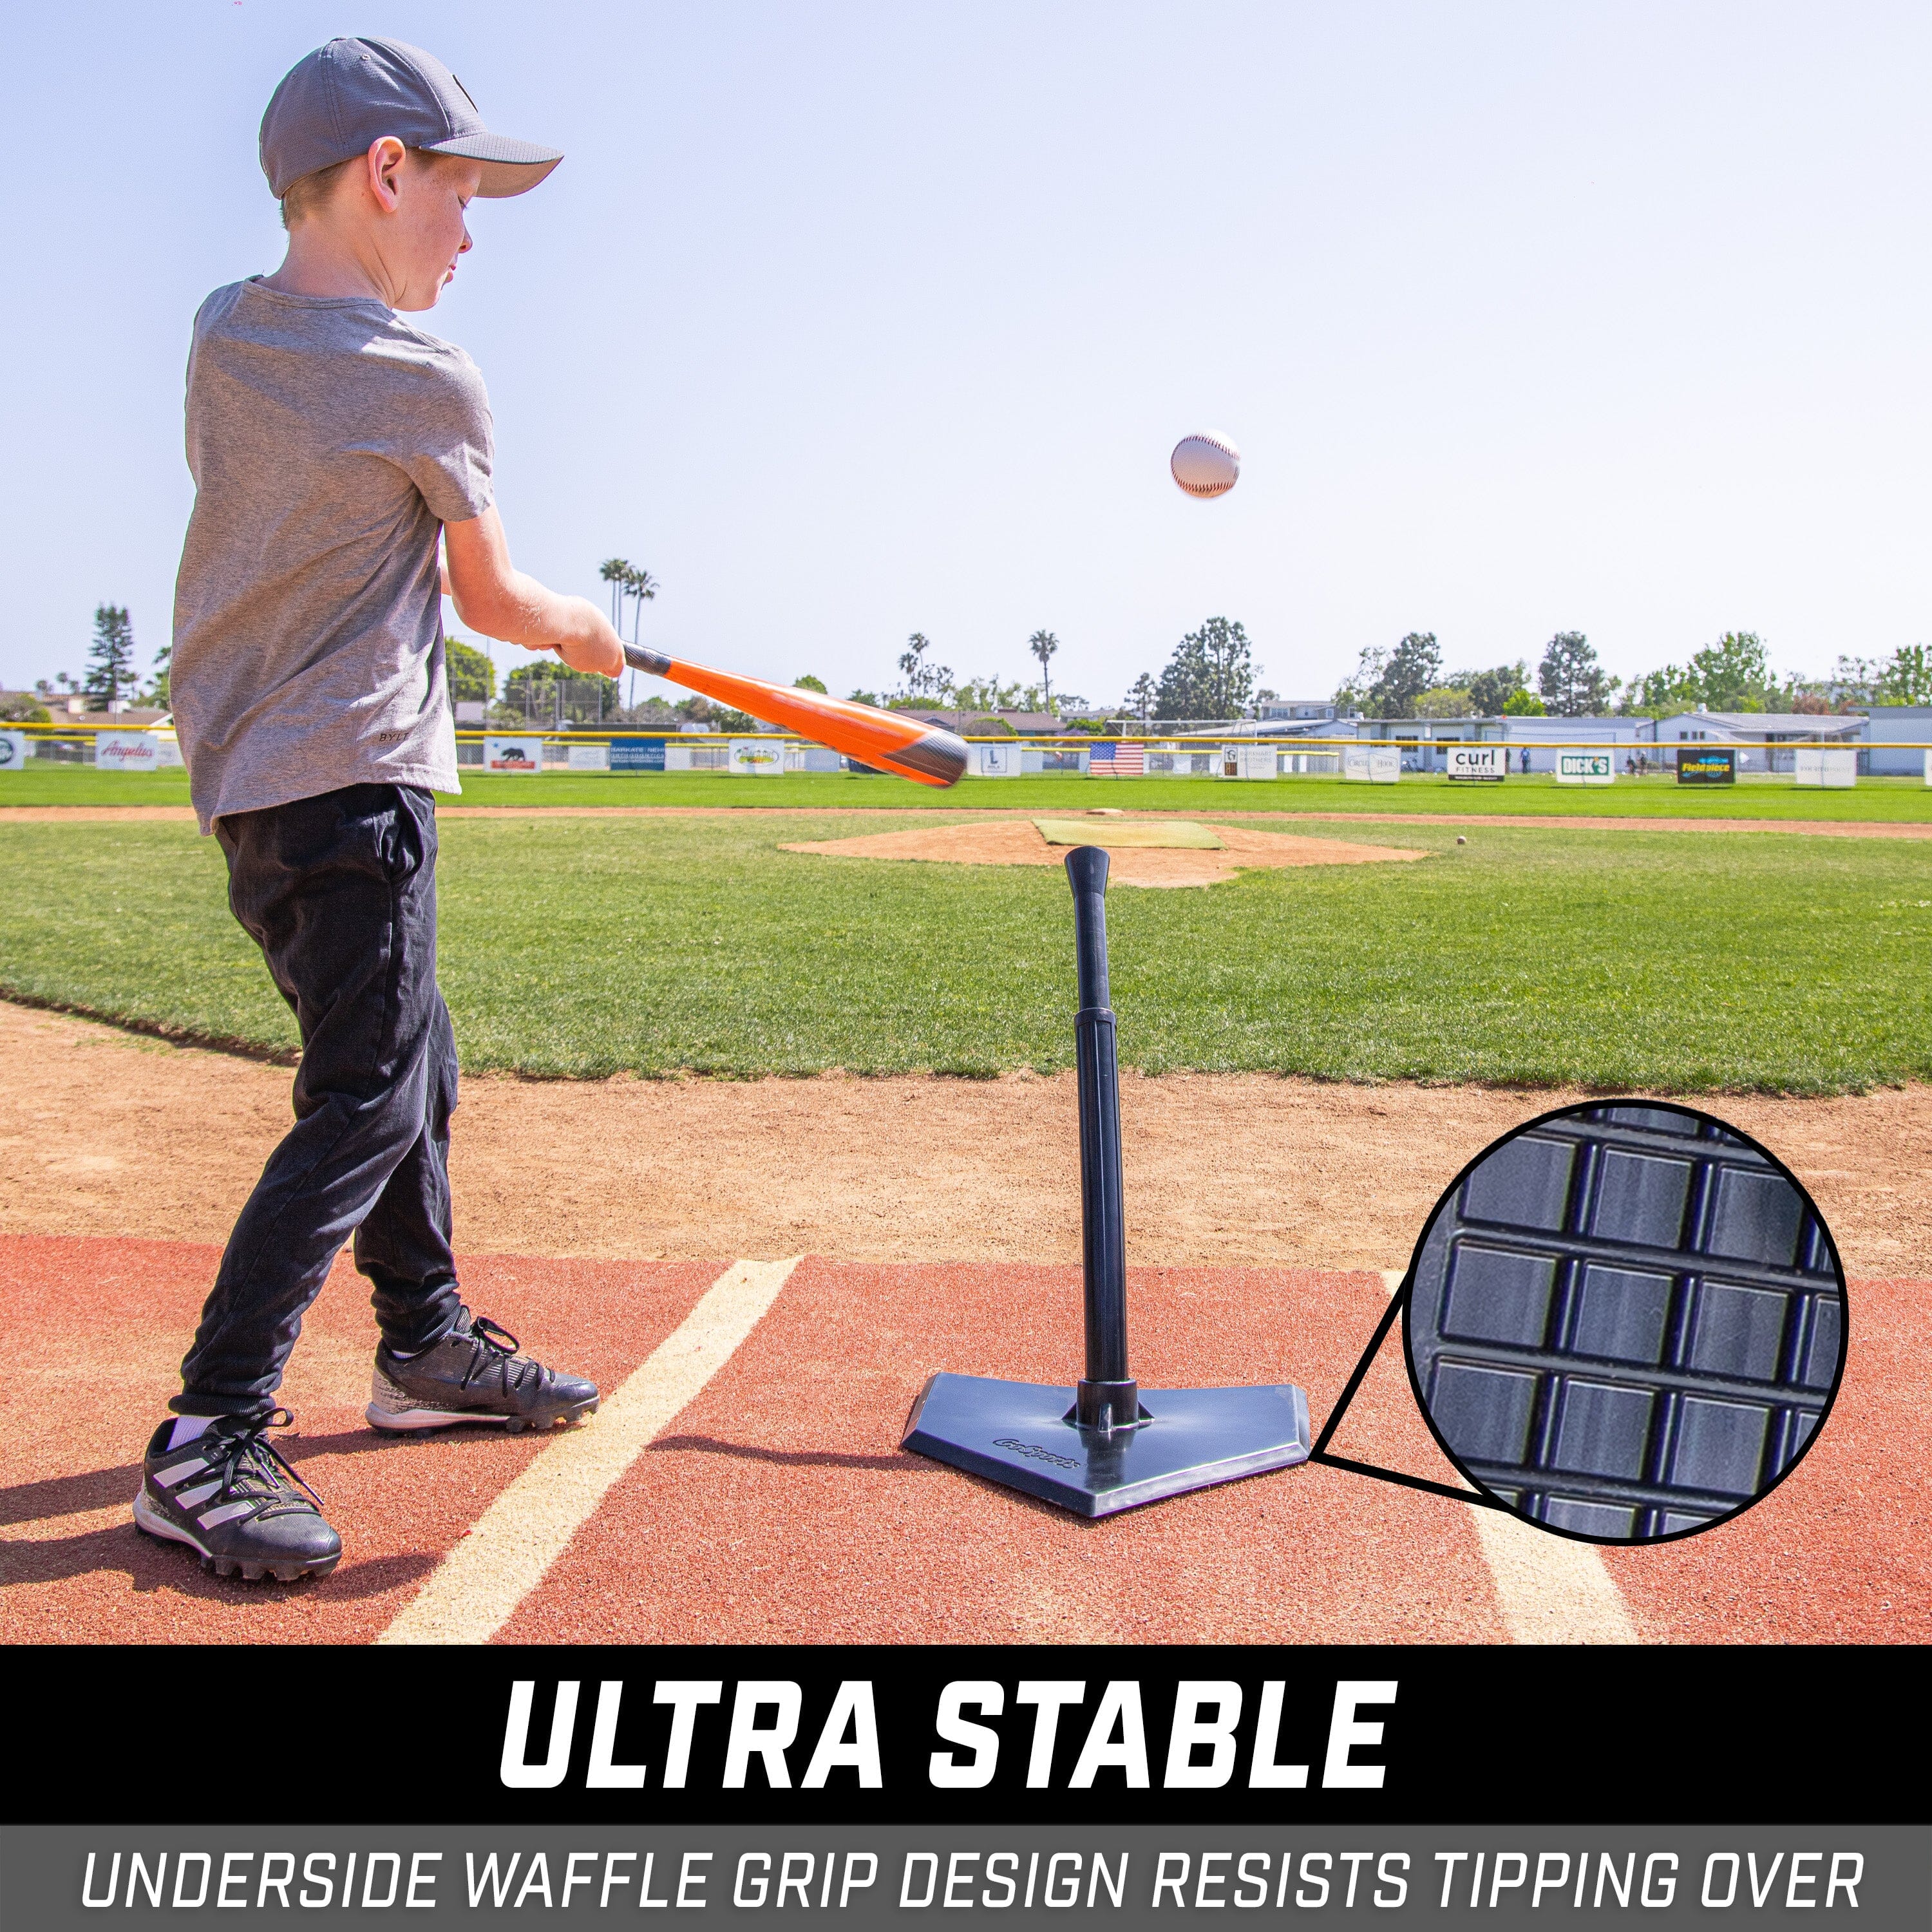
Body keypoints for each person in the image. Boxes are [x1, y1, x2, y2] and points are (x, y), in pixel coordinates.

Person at [138, 39, 625, 1583]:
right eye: (457, 194)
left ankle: (422, 1343)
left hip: (254, 792)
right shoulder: (425, 378)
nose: (469, 237)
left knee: (414, 1062)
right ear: (385, 173)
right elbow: (486, 599)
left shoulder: (222, 333)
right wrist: (582, 628)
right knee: (366, 1090)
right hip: (355, 776)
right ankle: (210, 1428)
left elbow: (325, 516)